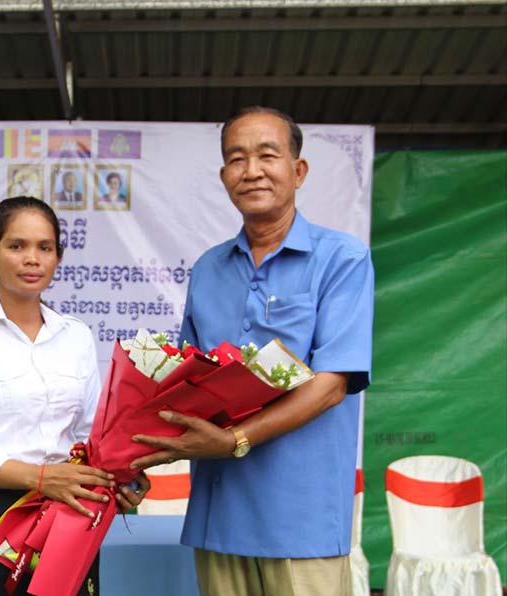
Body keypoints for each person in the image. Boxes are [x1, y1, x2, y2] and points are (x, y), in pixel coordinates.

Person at [131, 107, 374, 596]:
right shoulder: (209, 268)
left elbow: (332, 385)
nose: (252, 170)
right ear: (225, 176)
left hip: (302, 518)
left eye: (268, 155)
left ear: (298, 170)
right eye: (237, 159)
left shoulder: (342, 258)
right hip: (219, 512)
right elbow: (184, 385)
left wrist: (234, 440)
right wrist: (128, 460)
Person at [0, 196, 149, 596]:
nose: (32, 259)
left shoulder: (76, 336)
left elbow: (90, 434)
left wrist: (120, 477)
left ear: (58, 258)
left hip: (69, 513)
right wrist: (42, 478)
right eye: (17, 246)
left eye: (44, 247)